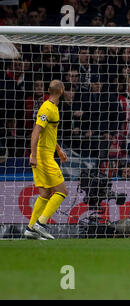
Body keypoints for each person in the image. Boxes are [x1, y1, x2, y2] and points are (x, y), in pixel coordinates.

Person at [24, 80, 69, 240]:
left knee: (45, 193)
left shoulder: (53, 108)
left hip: (47, 154)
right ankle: (41, 223)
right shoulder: (46, 108)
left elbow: (48, 133)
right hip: (42, 156)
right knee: (62, 191)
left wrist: (59, 150)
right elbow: (36, 132)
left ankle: (30, 228)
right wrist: (34, 155)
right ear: (61, 91)